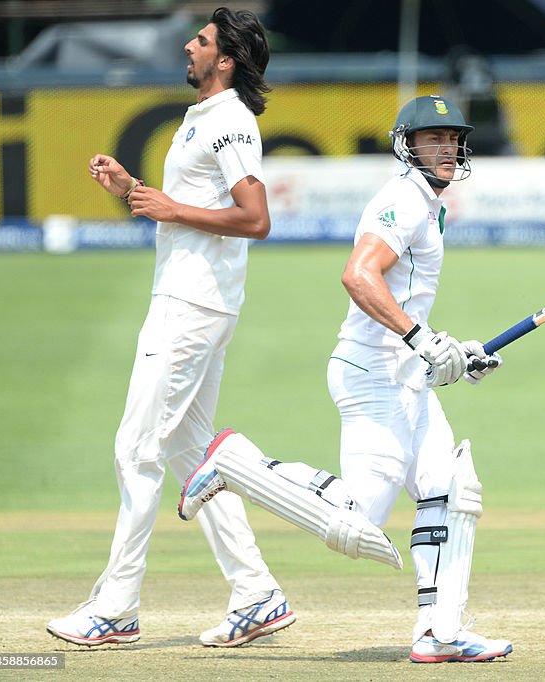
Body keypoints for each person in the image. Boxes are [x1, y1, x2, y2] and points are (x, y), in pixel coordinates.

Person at [178, 94, 512, 663]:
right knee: (359, 522)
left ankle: (439, 632)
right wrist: (421, 339)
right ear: (407, 146)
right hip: (373, 374)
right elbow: (358, 276)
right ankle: (236, 461)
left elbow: (406, 301)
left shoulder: (427, 205)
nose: (447, 148)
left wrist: (452, 349)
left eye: (453, 138)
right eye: (433, 139)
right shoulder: (404, 199)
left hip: (406, 373)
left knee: (449, 488)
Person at [47, 8, 296, 648]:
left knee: (136, 450)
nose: (189, 45)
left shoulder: (233, 121)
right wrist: (135, 188)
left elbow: (255, 217)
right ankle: (257, 593)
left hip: (192, 306)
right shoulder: (202, 117)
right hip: (190, 299)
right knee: (192, 455)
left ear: (227, 61)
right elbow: (193, 210)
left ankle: (116, 607)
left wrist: (167, 205)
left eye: (203, 41)